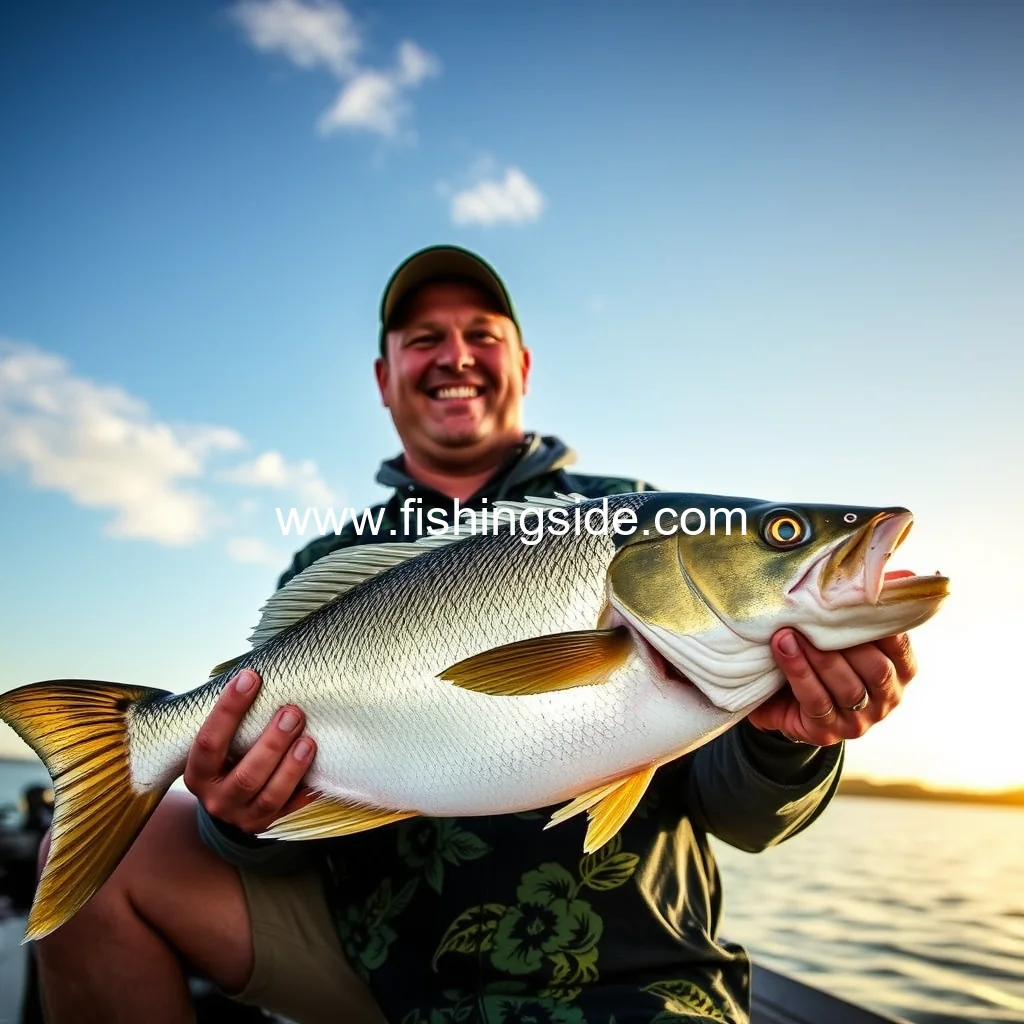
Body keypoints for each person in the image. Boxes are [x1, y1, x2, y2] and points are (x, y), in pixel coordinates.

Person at [34, 246, 917, 1024]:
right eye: (422, 339)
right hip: (384, 974)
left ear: (522, 365)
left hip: (629, 980)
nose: (454, 355)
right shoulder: (335, 558)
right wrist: (239, 820)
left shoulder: (642, 514)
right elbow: (267, 832)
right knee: (93, 870)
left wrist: (789, 744)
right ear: (384, 379)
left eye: (481, 334)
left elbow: (744, 818)